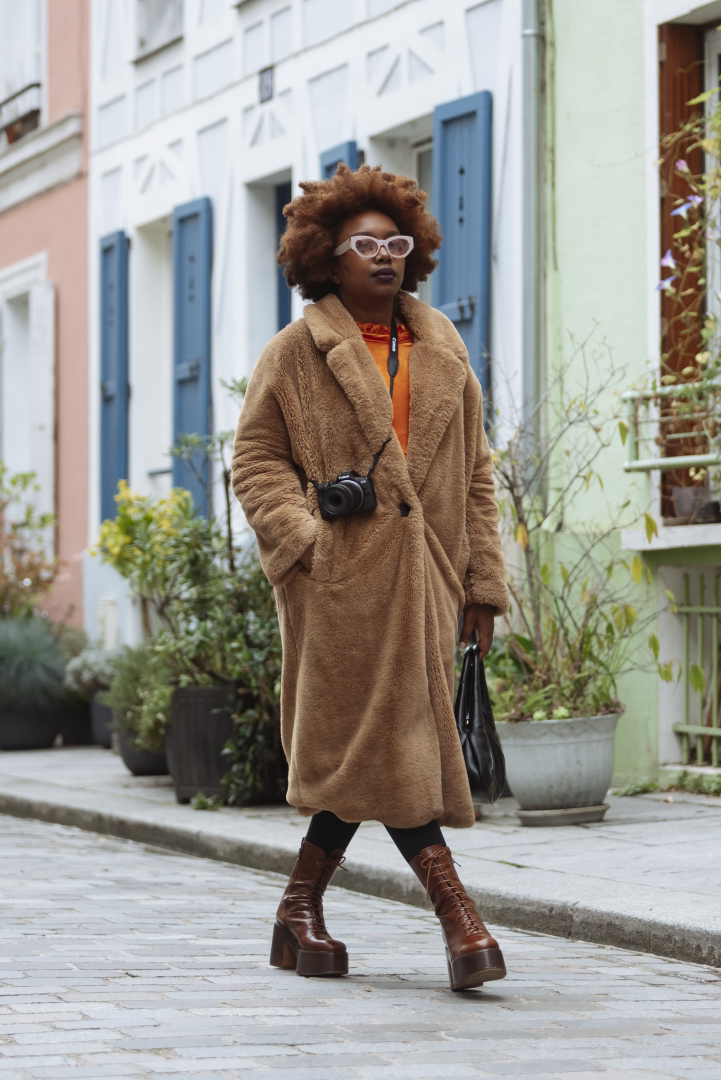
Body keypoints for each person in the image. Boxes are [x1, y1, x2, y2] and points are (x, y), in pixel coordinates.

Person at [231, 165, 509, 991]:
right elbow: (254, 461)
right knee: (385, 744)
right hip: (338, 590)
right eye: (365, 245)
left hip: (428, 582)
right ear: (326, 255)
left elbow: (476, 475)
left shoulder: (443, 348)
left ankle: (299, 909)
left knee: (378, 748)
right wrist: (308, 544)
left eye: (397, 243)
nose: (385, 257)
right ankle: (461, 922)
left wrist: (482, 586)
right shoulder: (294, 354)